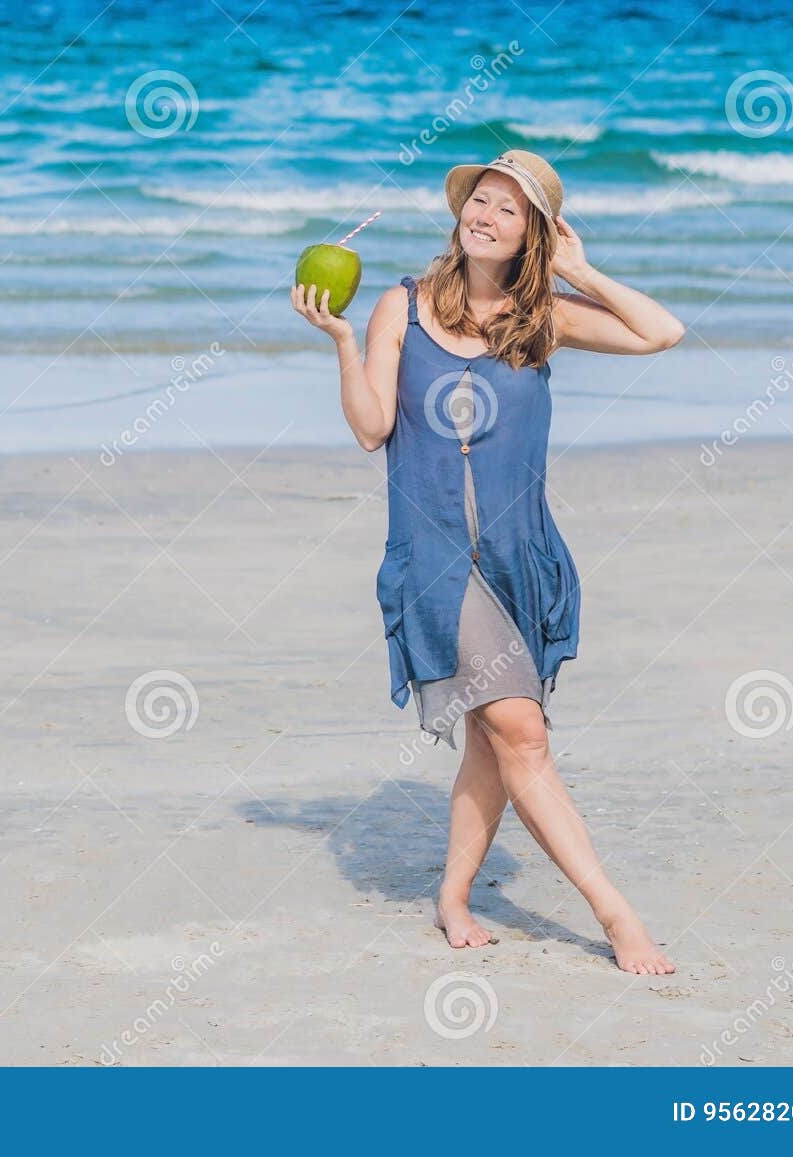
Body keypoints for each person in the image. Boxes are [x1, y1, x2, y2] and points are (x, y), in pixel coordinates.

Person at [290, 150, 685, 974]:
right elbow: (370, 427)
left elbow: (661, 332)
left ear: (532, 233)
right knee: (521, 732)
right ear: (460, 210)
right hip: (435, 560)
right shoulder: (399, 305)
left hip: (520, 554)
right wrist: (337, 338)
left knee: (491, 735)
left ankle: (453, 895)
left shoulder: (544, 317)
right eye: (481, 198)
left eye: (510, 208)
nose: (487, 214)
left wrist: (582, 269)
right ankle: (616, 915)